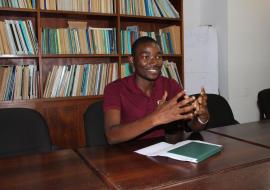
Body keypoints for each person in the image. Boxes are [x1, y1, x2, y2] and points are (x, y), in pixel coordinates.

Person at [103, 36, 209, 144]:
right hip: (129, 155)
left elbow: (192, 126)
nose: (154, 62)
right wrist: (156, 118)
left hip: (163, 153)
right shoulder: (115, 89)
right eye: (146, 57)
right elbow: (112, 136)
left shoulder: (170, 85)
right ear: (132, 60)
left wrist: (202, 117)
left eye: (158, 57)